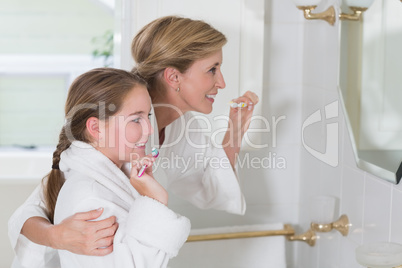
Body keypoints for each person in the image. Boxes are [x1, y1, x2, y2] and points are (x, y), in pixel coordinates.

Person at [8, 15, 258, 267]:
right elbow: (32, 211)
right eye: (212, 69)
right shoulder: (115, 118)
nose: (222, 82)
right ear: (174, 77)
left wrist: (235, 131)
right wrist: (57, 235)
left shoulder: (183, 126)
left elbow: (209, 184)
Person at [47, 67, 190, 267]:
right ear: (96, 128)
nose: (149, 130)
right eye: (136, 119)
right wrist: (154, 201)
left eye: (147, 117)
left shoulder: (114, 180)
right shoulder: (90, 197)